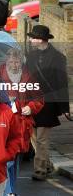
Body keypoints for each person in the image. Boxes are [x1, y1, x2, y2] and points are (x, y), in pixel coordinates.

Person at [0, 48, 44, 195]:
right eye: (11, 61)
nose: (14, 65)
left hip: (21, 124)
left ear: (21, 62)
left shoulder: (29, 76)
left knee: (15, 162)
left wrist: (31, 107)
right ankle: (8, 191)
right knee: (6, 160)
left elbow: (39, 98)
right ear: (6, 61)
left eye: (17, 62)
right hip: (2, 123)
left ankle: (12, 189)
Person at [26, 25, 69, 181]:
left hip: (47, 103)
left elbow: (62, 83)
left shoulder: (58, 58)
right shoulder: (30, 56)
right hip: (30, 102)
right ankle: (47, 164)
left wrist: (65, 107)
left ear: (40, 39)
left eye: (33, 37)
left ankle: (40, 170)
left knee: (42, 139)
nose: (30, 40)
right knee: (32, 137)